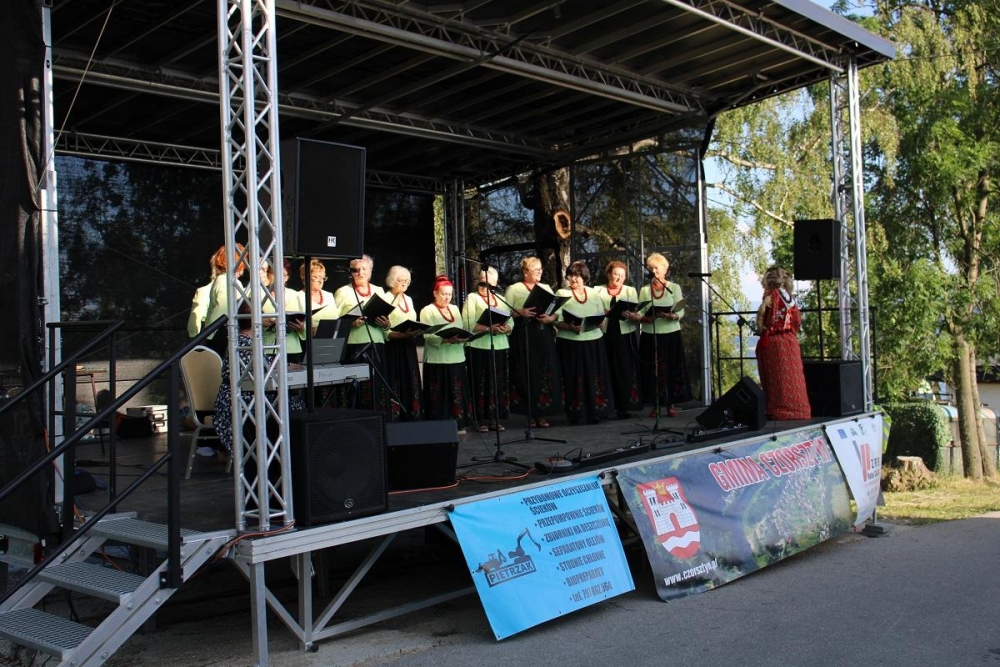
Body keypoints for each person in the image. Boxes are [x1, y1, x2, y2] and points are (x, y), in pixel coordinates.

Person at [213, 303, 305, 461]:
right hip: (240, 399)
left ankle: (284, 453)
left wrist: (285, 364)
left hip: (248, 396)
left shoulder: (246, 341)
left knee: (290, 400)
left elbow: (263, 362)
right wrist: (283, 366)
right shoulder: (242, 343)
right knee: (290, 403)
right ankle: (286, 453)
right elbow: (257, 368)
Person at [503, 256, 564, 428]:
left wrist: (550, 318)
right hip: (524, 334)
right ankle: (529, 414)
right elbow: (504, 312)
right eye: (535, 269)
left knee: (545, 371)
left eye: (540, 269)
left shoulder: (545, 287)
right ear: (525, 272)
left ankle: (543, 413)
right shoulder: (513, 289)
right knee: (527, 372)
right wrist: (520, 312)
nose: (539, 272)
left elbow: (556, 311)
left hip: (543, 333)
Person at [553, 261, 614, 424]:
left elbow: (601, 314)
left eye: (577, 276)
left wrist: (601, 323)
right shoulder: (562, 293)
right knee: (575, 377)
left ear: (584, 277)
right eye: (571, 276)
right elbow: (556, 320)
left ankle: (597, 411)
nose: (574, 279)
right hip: (570, 343)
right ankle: (577, 414)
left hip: (594, 341)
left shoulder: (593, 293)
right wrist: (569, 326)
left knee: (595, 376)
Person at [334, 254, 392, 412]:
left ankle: (379, 418)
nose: (360, 273)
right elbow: (335, 322)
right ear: (351, 272)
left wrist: (386, 324)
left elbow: (388, 321)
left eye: (364, 269)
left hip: (376, 344)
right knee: (357, 388)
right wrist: (350, 323)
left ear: (370, 271)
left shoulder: (379, 290)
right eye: (356, 270)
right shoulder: (343, 291)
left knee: (377, 387)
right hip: (355, 346)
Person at [638, 252, 692, 418]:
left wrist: (674, 315)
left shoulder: (674, 288)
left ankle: (671, 404)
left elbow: (681, 309)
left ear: (665, 270)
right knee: (653, 371)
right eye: (651, 268)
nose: (654, 271)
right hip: (651, 334)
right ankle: (656, 404)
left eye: (657, 268)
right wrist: (641, 317)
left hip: (671, 334)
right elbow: (641, 311)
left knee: (671, 369)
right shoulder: (644, 290)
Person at [419, 275, 473, 435]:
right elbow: (427, 336)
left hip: (457, 357)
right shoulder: (427, 310)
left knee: (457, 392)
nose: (447, 297)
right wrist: (447, 339)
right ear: (435, 293)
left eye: (449, 294)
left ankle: (459, 423)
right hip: (437, 360)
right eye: (443, 294)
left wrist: (463, 337)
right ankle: (439, 426)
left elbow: (461, 328)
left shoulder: (455, 309)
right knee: (439, 394)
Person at [755, 266, 811, 420]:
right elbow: (797, 320)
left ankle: (779, 409)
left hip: (774, 342)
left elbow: (762, 314)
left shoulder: (770, 296)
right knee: (794, 377)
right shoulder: (790, 297)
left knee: (777, 377)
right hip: (790, 342)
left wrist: (762, 328)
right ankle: (799, 408)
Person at [462, 267, 513, 433]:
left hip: (500, 346)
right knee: (480, 383)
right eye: (482, 283)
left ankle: (495, 419)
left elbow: (511, 322)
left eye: (489, 285)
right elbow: (467, 323)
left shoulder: (501, 299)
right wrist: (488, 328)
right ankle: (481, 419)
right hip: (479, 347)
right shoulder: (472, 298)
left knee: (498, 384)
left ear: (495, 284)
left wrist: (507, 328)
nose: (484, 288)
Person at [596, 260, 644, 419]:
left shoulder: (630, 291)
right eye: (616, 274)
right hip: (604, 334)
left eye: (622, 276)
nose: (619, 278)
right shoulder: (597, 290)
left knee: (625, 369)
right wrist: (601, 311)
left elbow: (636, 311)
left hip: (625, 335)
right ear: (609, 274)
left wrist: (634, 315)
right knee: (606, 369)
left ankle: (624, 407)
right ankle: (605, 407)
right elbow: (592, 309)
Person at [384, 265, 423, 420]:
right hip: (393, 346)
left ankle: (412, 415)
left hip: (409, 344)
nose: (405, 284)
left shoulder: (409, 299)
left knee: (410, 379)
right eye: (401, 280)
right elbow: (384, 330)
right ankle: (395, 416)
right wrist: (401, 334)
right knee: (395, 379)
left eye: (407, 281)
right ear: (392, 280)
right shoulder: (386, 298)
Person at [204, 243, 246, 356]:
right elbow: (223, 312)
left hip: (215, 334)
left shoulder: (221, 279)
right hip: (222, 335)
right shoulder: (230, 282)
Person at [263, 260, 306, 363]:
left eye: (283, 275)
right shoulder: (259, 294)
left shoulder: (297, 295)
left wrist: (301, 328)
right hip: (268, 347)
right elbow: (247, 320)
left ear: (287, 278)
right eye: (275, 274)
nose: (279, 278)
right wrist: (261, 321)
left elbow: (306, 321)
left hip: (291, 348)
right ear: (269, 275)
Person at [187, 247, 224, 338]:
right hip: (212, 340)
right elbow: (194, 325)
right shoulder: (204, 292)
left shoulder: (241, 289)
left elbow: (193, 326)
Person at [297, 258, 339, 335]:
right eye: (316, 277)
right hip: (309, 340)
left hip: (330, 338)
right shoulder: (298, 297)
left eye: (322, 278)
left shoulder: (329, 296)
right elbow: (297, 323)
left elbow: (336, 319)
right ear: (304, 277)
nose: (320, 281)